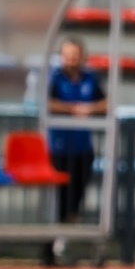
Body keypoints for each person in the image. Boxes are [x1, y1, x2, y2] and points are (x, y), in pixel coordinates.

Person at [48, 36, 106, 225]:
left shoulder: (90, 78)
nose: (71, 60)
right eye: (67, 56)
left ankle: (66, 237)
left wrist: (89, 109)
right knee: (58, 200)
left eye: (75, 56)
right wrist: (72, 109)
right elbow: (47, 103)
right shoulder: (54, 78)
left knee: (76, 199)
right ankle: (52, 245)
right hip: (58, 149)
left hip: (82, 149)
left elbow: (106, 103)